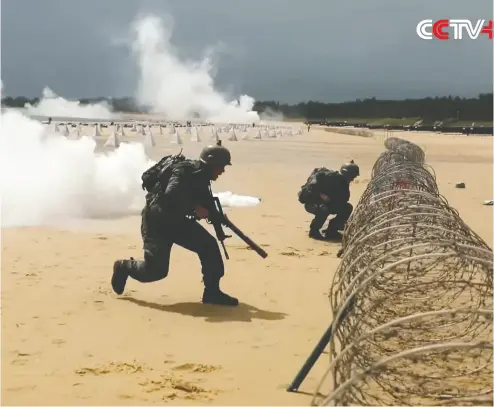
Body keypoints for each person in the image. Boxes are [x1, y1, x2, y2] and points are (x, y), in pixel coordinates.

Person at [111, 141, 239, 306]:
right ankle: (124, 267)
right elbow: (171, 195)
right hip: (157, 222)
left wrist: (218, 218)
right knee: (156, 271)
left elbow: (206, 204)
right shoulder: (184, 171)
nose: (222, 171)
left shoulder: (203, 178)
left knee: (209, 246)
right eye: (221, 166)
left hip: (177, 222)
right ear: (211, 163)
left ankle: (212, 292)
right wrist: (194, 207)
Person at [299, 160, 360, 240]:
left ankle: (332, 230)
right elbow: (311, 187)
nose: (352, 179)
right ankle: (314, 231)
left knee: (347, 207)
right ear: (347, 174)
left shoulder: (344, 183)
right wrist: (321, 194)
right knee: (323, 209)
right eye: (352, 176)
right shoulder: (329, 176)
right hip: (312, 203)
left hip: (329, 203)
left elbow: (344, 199)